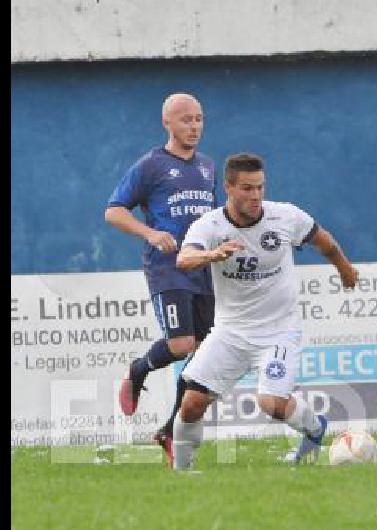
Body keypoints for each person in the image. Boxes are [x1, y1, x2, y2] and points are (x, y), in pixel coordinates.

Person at [172, 152, 358, 470]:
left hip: (278, 332)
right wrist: (212, 255)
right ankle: (181, 476)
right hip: (230, 331)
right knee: (191, 404)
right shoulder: (210, 225)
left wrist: (344, 269)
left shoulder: (286, 217)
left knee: (271, 403)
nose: (256, 195)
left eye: (260, 187)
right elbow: (183, 259)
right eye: (247, 188)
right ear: (228, 188)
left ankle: (315, 429)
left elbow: (323, 241)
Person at [105, 93, 217, 466]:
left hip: (202, 269)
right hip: (167, 268)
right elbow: (114, 212)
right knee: (183, 343)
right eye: (186, 120)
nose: (194, 126)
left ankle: (168, 430)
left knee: (203, 354)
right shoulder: (151, 166)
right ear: (167, 123)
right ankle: (138, 369)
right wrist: (151, 234)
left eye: (199, 119)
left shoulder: (207, 167)